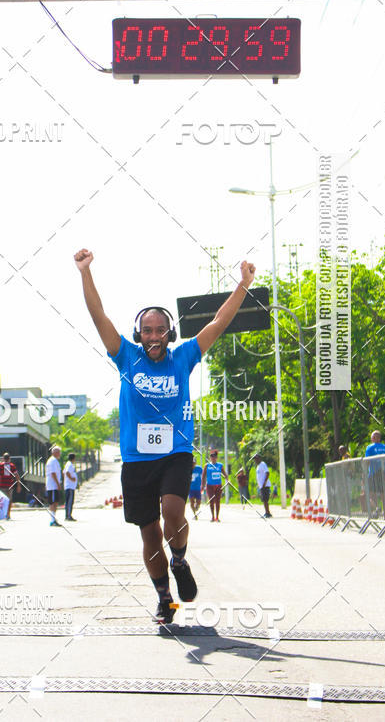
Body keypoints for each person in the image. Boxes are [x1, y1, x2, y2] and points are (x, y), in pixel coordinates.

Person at [74, 247, 255, 624]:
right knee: (150, 534)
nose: (154, 336)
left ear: (170, 333)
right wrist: (85, 273)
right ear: (138, 333)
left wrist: (243, 284)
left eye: (160, 330)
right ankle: (164, 598)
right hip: (137, 459)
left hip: (176, 451)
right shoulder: (125, 356)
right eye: (147, 330)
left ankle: (181, 559)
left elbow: (219, 322)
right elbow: (98, 315)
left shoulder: (184, 356)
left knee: (174, 511)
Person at [364, 430, 385, 519]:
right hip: (384, 473)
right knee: (383, 495)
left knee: (370, 494)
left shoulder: (370, 448)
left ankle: (377, 508)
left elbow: (367, 462)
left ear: (373, 438)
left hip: (373, 473)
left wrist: (364, 475)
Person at [202, 449, 227, 522]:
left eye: (214, 456)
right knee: (211, 501)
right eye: (211, 456)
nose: (213, 458)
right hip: (209, 485)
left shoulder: (220, 465)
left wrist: (227, 479)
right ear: (210, 458)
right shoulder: (207, 466)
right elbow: (203, 476)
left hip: (218, 485)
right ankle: (212, 516)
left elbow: (225, 474)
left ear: (216, 457)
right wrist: (202, 485)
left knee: (218, 501)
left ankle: (217, 517)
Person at [0, 452, 21, 520]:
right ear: (9, 458)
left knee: (1, 500)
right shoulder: (12, 466)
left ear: (3, 458)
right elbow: (17, 476)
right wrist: (18, 485)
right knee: (9, 500)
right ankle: (8, 514)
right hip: (9, 485)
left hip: (1, 486)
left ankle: (2, 514)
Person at [45, 445, 62, 527]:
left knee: (55, 502)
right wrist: (58, 484)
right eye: (59, 452)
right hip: (52, 485)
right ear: (55, 452)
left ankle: (54, 519)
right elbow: (53, 473)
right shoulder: (52, 461)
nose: (60, 454)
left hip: (54, 485)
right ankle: (52, 520)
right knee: (52, 502)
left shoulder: (55, 461)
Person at [253, 454, 271, 518]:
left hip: (265, 485)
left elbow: (267, 473)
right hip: (261, 486)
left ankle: (268, 513)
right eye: (255, 459)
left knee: (265, 500)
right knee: (264, 500)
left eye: (257, 458)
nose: (256, 460)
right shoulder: (258, 466)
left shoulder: (263, 464)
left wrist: (264, 482)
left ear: (260, 458)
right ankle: (267, 512)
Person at [63, 452, 78, 521]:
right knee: (69, 501)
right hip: (70, 486)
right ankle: (68, 516)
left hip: (70, 486)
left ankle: (68, 515)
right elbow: (67, 472)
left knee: (69, 501)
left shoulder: (68, 464)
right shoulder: (69, 464)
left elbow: (64, 473)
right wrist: (71, 479)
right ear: (73, 458)